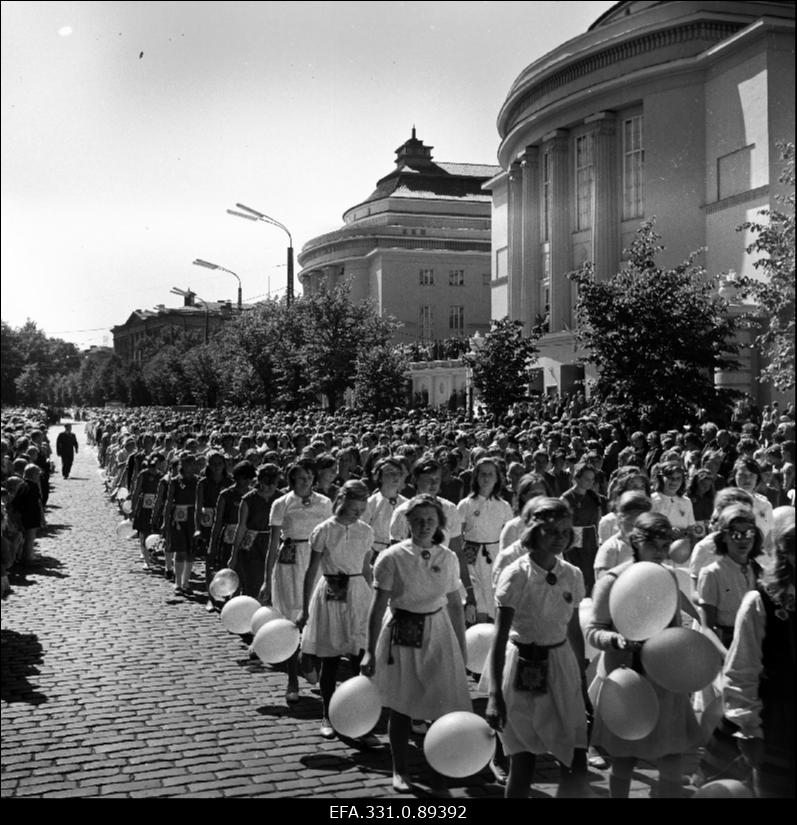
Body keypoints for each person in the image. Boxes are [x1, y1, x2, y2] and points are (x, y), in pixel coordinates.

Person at [360, 495, 471, 796]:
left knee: (441, 705)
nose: (424, 525)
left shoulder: (447, 558)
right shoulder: (391, 557)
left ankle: (439, 772)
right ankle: (401, 769)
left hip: (438, 632)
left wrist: (461, 647)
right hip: (402, 633)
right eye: (418, 520)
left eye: (431, 520)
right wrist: (369, 650)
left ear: (440, 523)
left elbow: (455, 605)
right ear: (407, 522)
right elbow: (377, 606)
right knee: (402, 704)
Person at [586, 512, 702, 797]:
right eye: (653, 545)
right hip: (628, 682)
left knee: (671, 755)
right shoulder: (613, 580)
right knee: (624, 759)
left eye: (665, 546)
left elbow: (674, 626)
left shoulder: (668, 577)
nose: (660, 553)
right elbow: (593, 630)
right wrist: (616, 640)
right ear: (636, 542)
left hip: (664, 681)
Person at [484, 497, 588, 798]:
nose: (560, 538)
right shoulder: (517, 574)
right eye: (551, 531)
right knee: (523, 761)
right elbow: (500, 636)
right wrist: (494, 695)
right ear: (532, 531)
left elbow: (573, 630)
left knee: (575, 757)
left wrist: (581, 679)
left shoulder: (572, 574)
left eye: (565, 532)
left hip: (561, 666)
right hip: (522, 668)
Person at [297, 480, 377, 745]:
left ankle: (357, 718)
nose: (358, 514)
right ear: (342, 501)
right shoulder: (324, 530)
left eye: (362, 510)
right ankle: (328, 715)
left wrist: (374, 600)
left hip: (358, 595)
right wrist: (304, 608)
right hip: (331, 592)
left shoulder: (366, 531)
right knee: (330, 659)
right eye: (354, 509)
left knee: (359, 658)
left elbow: (366, 569)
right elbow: (311, 571)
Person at [722, 511, 795, 798]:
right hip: (779, 720)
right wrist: (749, 729)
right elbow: (742, 668)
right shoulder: (761, 601)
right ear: (785, 552)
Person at [260, 460, 333, 704]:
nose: (306, 482)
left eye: (310, 477)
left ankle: (310, 663)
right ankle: (292, 679)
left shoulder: (325, 503)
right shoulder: (282, 503)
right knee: (290, 620)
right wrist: (266, 580)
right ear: (292, 480)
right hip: (289, 563)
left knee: (318, 616)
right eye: (301, 478)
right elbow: (273, 544)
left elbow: (330, 536)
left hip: (316, 561)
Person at [696, 504, 763, 647]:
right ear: (723, 537)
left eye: (749, 533)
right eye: (735, 534)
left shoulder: (759, 570)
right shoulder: (712, 574)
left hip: (756, 642)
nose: (743, 539)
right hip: (727, 642)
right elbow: (707, 628)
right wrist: (727, 656)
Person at [458, 457, 514, 624]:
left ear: (497, 478)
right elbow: (457, 534)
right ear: (476, 476)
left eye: (490, 474)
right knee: (476, 597)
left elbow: (509, 536)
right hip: (471, 555)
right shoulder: (465, 504)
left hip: (494, 555)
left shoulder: (504, 506)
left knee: (493, 595)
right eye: (482, 474)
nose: (486, 478)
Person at [561, 461, 604, 596]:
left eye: (592, 479)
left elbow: (598, 518)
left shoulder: (594, 496)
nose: (590, 482)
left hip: (591, 538)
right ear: (577, 478)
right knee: (577, 571)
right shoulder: (566, 498)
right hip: (574, 538)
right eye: (586, 479)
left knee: (591, 572)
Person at [162, 452, 199, 596]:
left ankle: (186, 582)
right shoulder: (175, 481)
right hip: (178, 518)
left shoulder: (198, 481)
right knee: (180, 550)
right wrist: (165, 521)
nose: (190, 466)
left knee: (191, 551)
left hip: (193, 517)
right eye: (186, 463)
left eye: (192, 463)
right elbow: (169, 501)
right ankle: (177, 582)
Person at [593, 490, 652, 581]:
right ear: (620, 519)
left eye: (642, 526)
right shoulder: (611, 547)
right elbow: (602, 580)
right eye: (632, 525)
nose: (636, 530)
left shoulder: (649, 544)